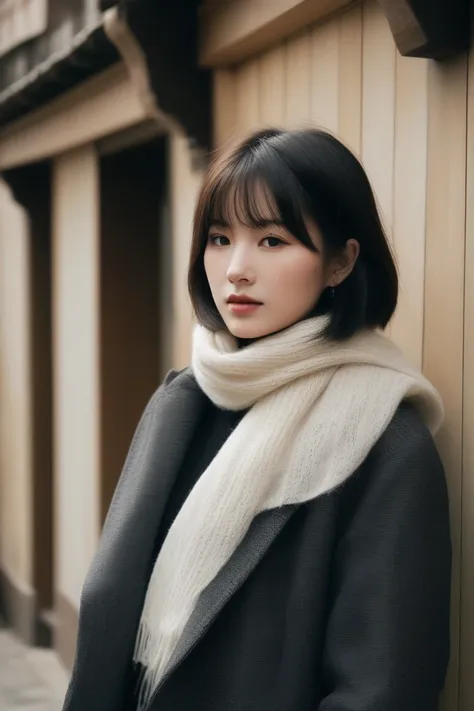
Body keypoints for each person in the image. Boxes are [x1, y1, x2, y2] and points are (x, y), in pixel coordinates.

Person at [62, 128, 451, 711]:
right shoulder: (184, 403)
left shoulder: (385, 442)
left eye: (272, 240)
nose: (236, 269)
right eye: (220, 238)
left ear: (341, 262)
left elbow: (382, 687)